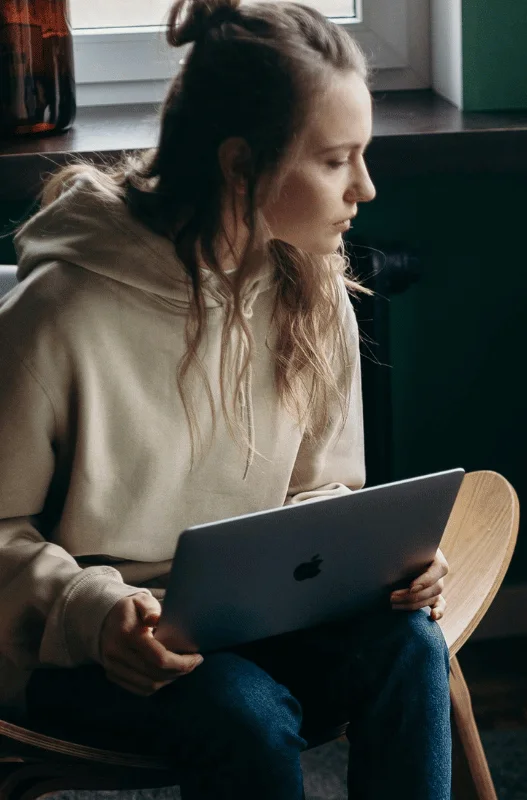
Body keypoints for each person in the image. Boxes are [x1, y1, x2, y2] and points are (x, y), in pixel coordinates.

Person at [0, 2, 453, 798]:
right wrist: (95, 612)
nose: (366, 188)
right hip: (89, 653)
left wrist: (385, 565)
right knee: (241, 709)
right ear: (241, 164)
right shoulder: (60, 313)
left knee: (409, 644)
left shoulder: (312, 289)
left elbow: (323, 491)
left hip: (260, 622)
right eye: (336, 159)